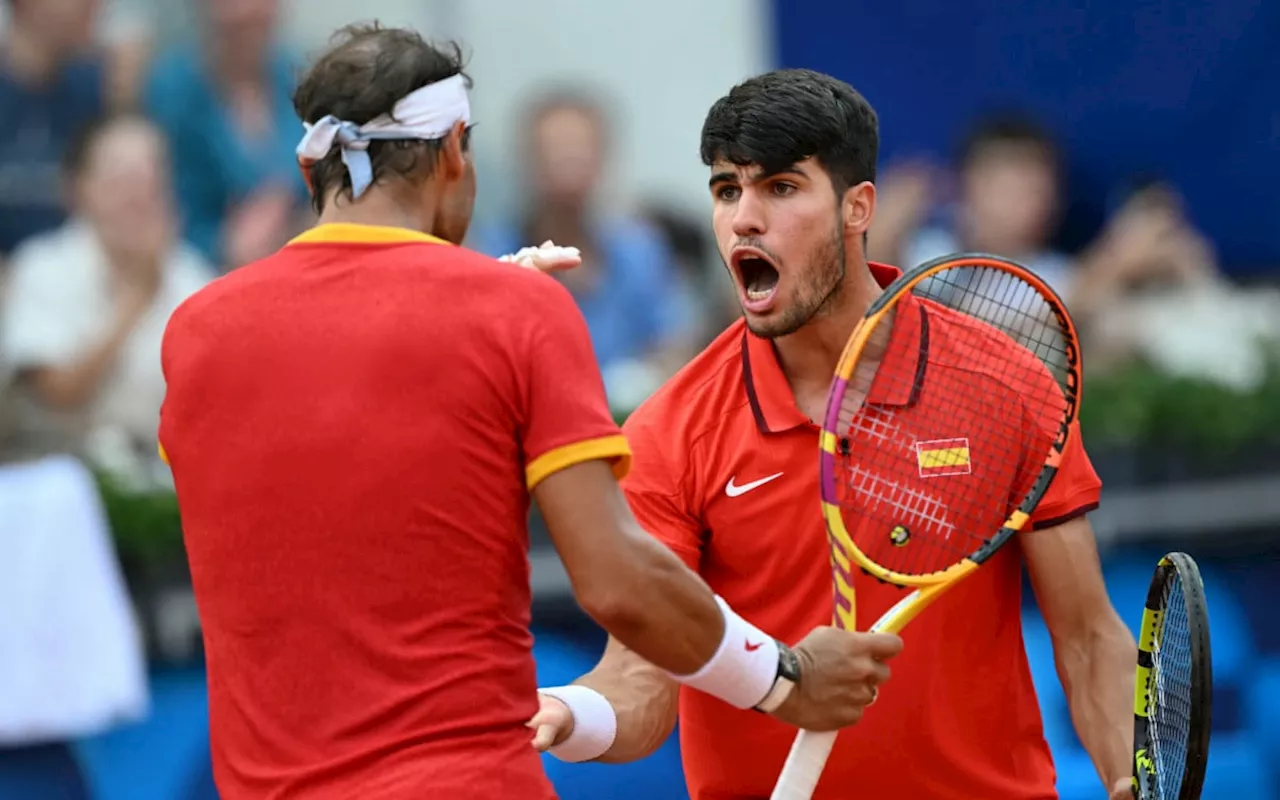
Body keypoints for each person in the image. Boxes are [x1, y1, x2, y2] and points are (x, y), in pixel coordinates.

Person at [157, 26, 901, 800]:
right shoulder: (513, 312)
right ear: (453, 152)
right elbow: (618, 583)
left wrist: (479, 322)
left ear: (313, 165)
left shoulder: (197, 331)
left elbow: (325, 504)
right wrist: (785, 677)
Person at [527, 68, 1138, 800]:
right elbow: (642, 676)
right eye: (727, 191)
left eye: (781, 188)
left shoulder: (1005, 382)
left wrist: (1126, 779)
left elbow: (1088, 638)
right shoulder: (673, 429)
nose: (745, 219)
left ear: (858, 208)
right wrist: (570, 712)